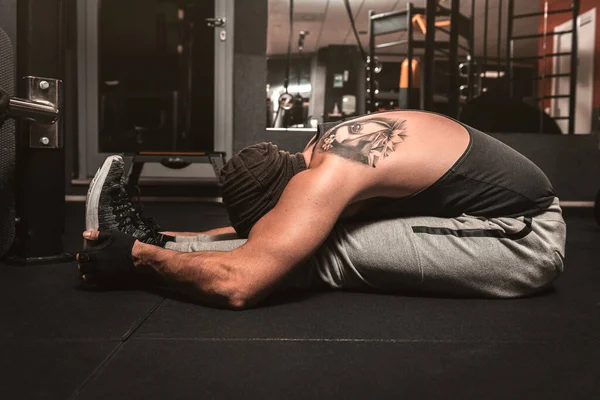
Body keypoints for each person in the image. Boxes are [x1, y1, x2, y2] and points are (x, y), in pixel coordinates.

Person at [76, 110, 566, 309]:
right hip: (480, 215)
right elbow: (280, 227)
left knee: (316, 252)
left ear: (294, 194)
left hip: (523, 236)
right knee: (292, 243)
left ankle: (140, 248)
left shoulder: (329, 177)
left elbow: (239, 285)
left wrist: (141, 259)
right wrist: (172, 242)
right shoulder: (318, 151)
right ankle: (150, 238)